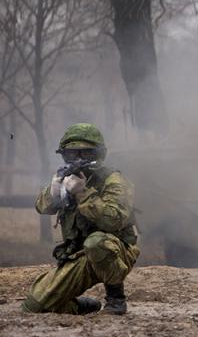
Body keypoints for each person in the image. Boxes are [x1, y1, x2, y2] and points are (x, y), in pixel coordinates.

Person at [22, 123, 139, 315]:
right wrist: (54, 192)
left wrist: (83, 193)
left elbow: (113, 220)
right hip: (79, 254)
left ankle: (116, 299)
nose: (78, 159)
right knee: (33, 306)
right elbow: (42, 208)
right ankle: (83, 306)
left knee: (97, 242)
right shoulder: (67, 177)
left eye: (86, 154)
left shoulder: (114, 180)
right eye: (71, 154)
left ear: (98, 154)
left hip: (116, 251)